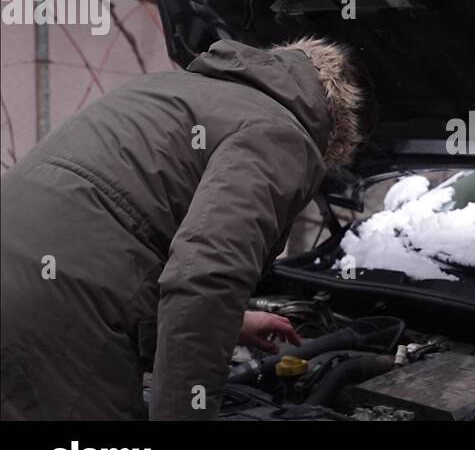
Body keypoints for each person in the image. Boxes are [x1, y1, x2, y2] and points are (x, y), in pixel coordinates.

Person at [0, 37, 365, 420]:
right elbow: (205, 276)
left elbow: (124, 227)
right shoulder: (281, 134)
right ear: (335, 130)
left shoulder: (166, 89)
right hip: (61, 310)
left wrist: (229, 322)